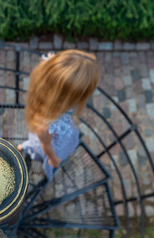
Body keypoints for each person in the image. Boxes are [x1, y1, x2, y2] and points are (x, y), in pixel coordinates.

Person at [17, 50, 100, 181]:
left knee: (34, 143)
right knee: (38, 147)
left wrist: (52, 64)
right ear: (67, 99)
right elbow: (46, 146)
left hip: (48, 136)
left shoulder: (46, 87)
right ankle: (28, 148)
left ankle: (25, 147)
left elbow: (49, 70)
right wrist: (53, 159)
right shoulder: (47, 125)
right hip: (51, 143)